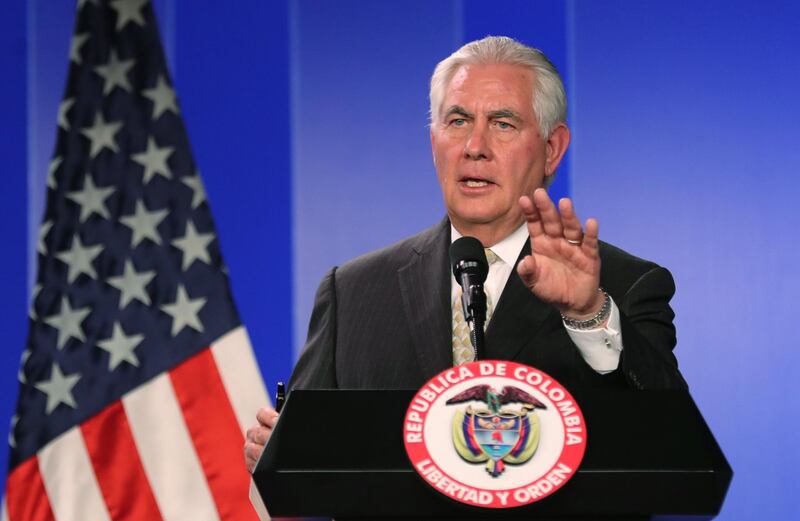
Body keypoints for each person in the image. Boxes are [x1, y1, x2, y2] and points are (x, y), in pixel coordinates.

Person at [244, 36, 686, 473]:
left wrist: (589, 315)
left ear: (552, 148)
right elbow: (306, 466)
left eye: (503, 123)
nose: (475, 146)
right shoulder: (353, 292)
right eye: (457, 120)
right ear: (433, 139)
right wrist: (283, 459)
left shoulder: (625, 285)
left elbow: (674, 447)